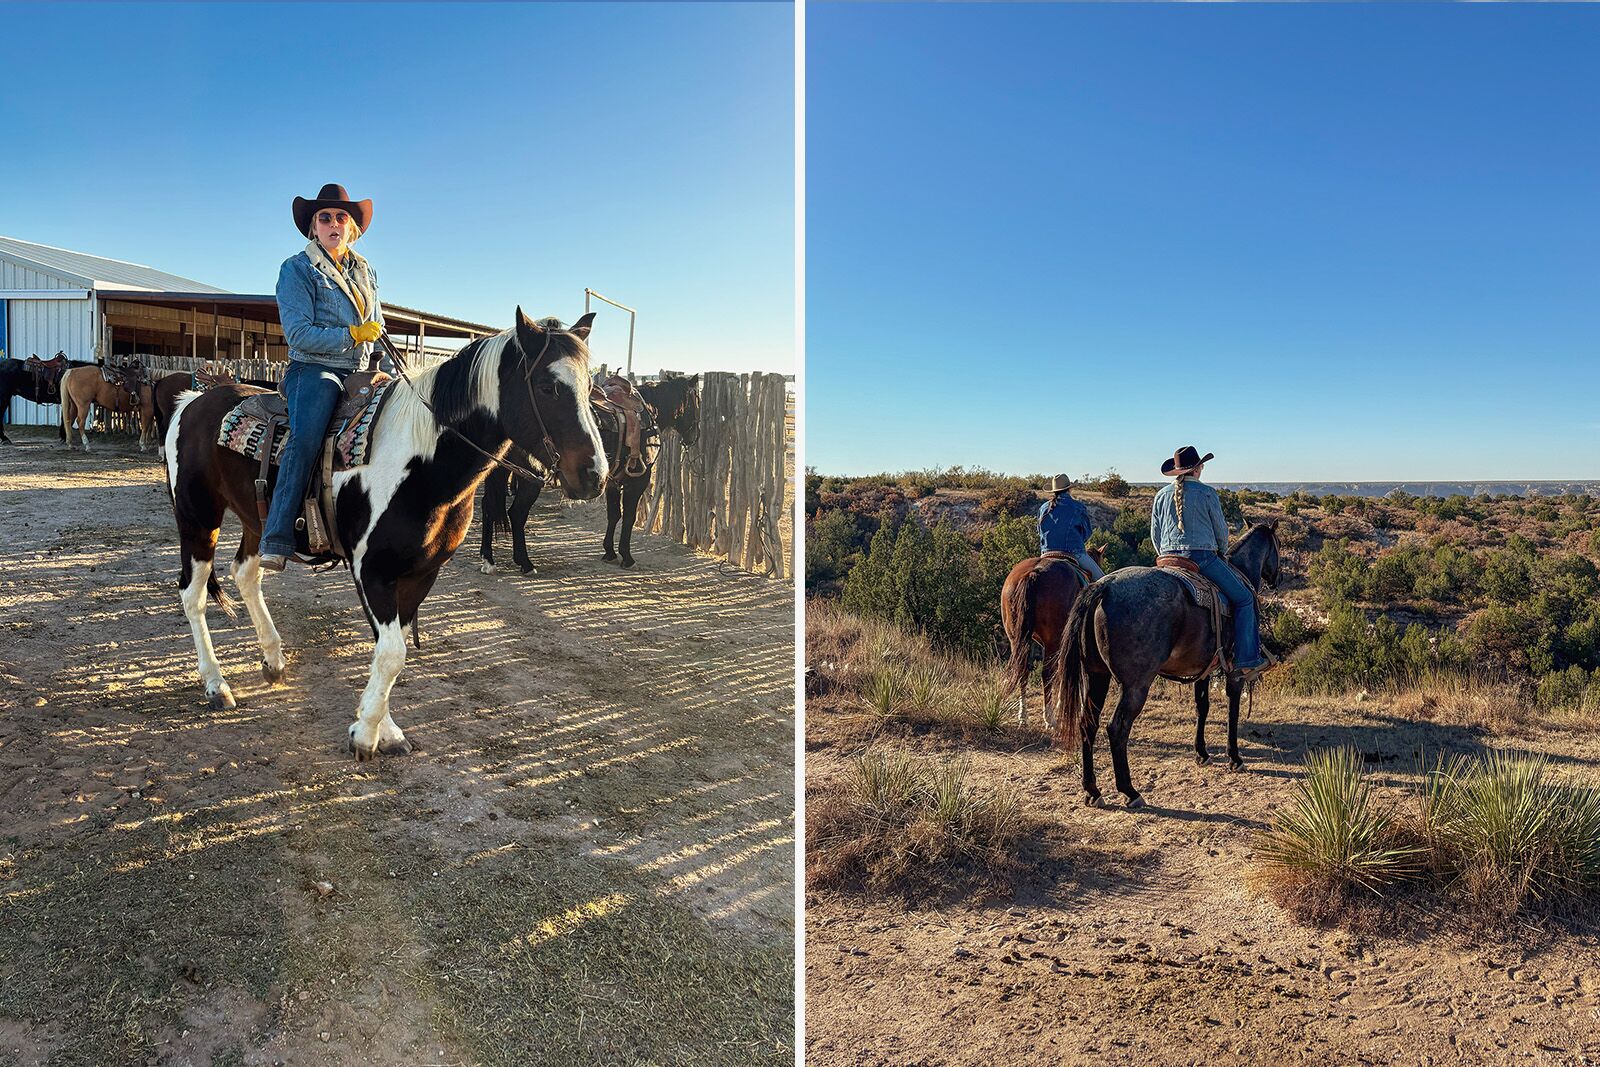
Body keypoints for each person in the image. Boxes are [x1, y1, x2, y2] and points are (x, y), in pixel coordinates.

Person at [259, 184, 385, 571]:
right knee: (307, 436)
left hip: (359, 368)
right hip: (314, 369)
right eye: (325, 217)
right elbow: (298, 333)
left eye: (341, 217)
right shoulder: (296, 269)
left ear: (352, 228)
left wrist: (373, 345)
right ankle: (277, 536)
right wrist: (351, 335)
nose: (334, 223)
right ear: (313, 228)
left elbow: (376, 319)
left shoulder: (365, 269)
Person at [1148, 445, 1271, 676]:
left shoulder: (1160, 495)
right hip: (1201, 559)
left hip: (1166, 560)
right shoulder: (1207, 494)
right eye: (1201, 465)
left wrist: (1166, 555)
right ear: (1197, 469)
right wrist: (1222, 553)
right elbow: (1220, 533)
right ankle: (1247, 659)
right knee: (1245, 599)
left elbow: (1155, 535)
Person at [1038, 474, 1103, 580]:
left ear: (1053, 491)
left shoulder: (1043, 508)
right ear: (1069, 489)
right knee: (1103, 582)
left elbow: (1039, 531)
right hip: (1074, 552)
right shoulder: (1078, 507)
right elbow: (1087, 533)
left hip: (1046, 552)